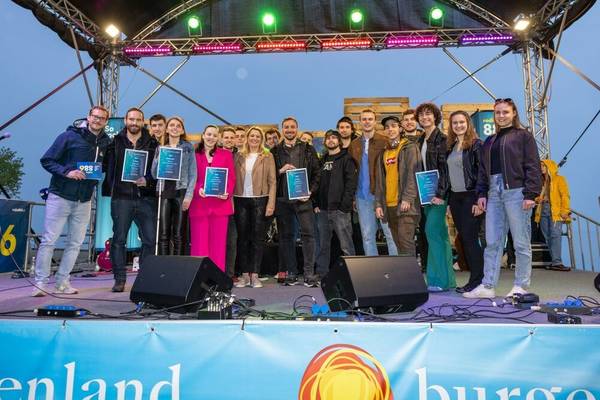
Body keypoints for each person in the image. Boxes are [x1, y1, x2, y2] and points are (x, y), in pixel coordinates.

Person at [465, 98, 542, 299]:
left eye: (505, 112)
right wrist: (481, 193)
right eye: (498, 112)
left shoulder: (524, 136)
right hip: (493, 193)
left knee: (520, 242)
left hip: (517, 192)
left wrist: (531, 194)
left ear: (514, 113)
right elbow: (483, 170)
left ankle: (521, 286)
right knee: (492, 242)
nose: (501, 116)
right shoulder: (490, 141)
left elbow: (533, 165)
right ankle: (488, 285)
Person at [32, 106, 111, 296]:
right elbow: (47, 160)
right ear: (88, 117)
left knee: (75, 243)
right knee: (49, 241)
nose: (97, 120)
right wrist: (67, 172)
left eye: (102, 118)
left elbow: (105, 167)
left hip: (84, 200)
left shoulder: (106, 143)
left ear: (106, 122)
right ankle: (40, 283)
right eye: (95, 116)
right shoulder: (68, 136)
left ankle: (62, 282)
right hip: (60, 196)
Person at [102, 107, 158, 292]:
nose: (134, 123)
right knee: (119, 240)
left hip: (146, 198)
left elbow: (158, 170)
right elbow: (105, 165)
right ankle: (119, 279)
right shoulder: (114, 142)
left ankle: (144, 278)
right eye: (131, 119)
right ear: (126, 121)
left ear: (143, 122)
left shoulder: (153, 143)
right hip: (121, 198)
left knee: (150, 240)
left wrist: (148, 180)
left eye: (138, 120)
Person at [271, 116, 321, 287]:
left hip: (303, 199)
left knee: (308, 235)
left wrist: (310, 191)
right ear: (282, 129)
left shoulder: (308, 149)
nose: (289, 130)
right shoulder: (274, 151)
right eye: (286, 127)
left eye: (292, 127)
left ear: (297, 129)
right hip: (283, 200)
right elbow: (269, 177)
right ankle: (291, 273)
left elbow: (317, 173)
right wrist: (280, 171)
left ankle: (309, 273)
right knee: (286, 237)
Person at [416, 102, 455, 292]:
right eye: (421, 115)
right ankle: (448, 281)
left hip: (439, 195)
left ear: (435, 117)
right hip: (426, 196)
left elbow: (445, 170)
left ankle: (437, 280)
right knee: (441, 236)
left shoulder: (442, 139)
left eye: (428, 114)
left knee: (431, 232)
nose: (425, 117)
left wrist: (441, 194)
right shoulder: (420, 140)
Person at [348, 109, 398, 256]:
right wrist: (353, 197)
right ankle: (374, 268)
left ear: (375, 122)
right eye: (364, 119)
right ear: (360, 122)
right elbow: (351, 172)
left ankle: (395, 267)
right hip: (362, 197)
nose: (367, 122)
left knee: (390, 235)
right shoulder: (354, 144)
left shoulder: (385, 141)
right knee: (368, 237)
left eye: (370, 119)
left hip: (383, 196)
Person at [445, 111, 484, 293]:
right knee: (464, 239)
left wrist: (479, 199)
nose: (458, 125)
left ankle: (477, 281)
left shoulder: (476, 145)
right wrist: (448, 202)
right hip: (455, 198)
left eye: (461, 122)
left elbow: (482, 174)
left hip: (471, 197)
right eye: (455, 123)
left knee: (470, 240)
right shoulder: (451, 146)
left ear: (468, 123)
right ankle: (475, 279)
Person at [233, 126, 277, 288]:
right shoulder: (238, 155)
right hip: (240, 200)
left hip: (260, 200)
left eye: (258, 136)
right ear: (247, 137)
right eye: (252, 135)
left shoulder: (267, 156)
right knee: (243, 239)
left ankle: (255, 275)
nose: (254, 138)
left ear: (261, 139)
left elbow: (273, 181)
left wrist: (271, 203)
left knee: (258, 239)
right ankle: (245, 275)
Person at [189, 125, 236, 271]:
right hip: (199, 205)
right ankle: (199, 278)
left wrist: (226, 192)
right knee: (199, 246)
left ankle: (216, 279)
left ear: (218, 138)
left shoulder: (226, 155)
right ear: (203, 135)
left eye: (214, 135)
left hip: (220, 206)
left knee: (218, 247)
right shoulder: (193, 154)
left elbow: (231, 178)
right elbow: (190, 177)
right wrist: (198, 189)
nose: (211, 138)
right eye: (209, 134)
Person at [374, 115, 421, 256]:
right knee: (398, 244)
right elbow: (379, 182)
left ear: (400, 128)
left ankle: (410, 271)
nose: (390, 129)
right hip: (389, 206)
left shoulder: (409, 148)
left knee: (406, 244)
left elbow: (413, 174)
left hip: (405, 205)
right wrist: (378, 204)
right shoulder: (383, 153)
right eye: (387, 127)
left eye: (393, 126)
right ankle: (404, 270)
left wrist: (407, 198)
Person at [314, 130, 357, 277]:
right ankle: (321, 273)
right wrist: (316, 203)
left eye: (334, 138)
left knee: (346, 244)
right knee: (323, 245)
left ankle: (352, 274)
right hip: (322, 210)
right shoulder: (322, 160)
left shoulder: (347, 159)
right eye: (328, 138)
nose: (331, 140)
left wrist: (344, 206)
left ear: (339, 141)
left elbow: (351, 184)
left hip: (340, 210)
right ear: (325, 142)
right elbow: (317, 183)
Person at [151, 116, 197, 255]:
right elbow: (154, 174)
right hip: (164, 191)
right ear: (167, 129)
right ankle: (164, 263)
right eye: (172, 125)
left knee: (179, 234)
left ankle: (178, 263)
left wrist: (189, 196)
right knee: (163, 233)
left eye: (178, 126)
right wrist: (159, 158)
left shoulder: (188, 147)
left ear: (182, 130)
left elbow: (193, 173)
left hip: (181, 191)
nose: (175, 128)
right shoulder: (160, 148)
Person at [401, 109, 428, 266]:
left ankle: (426, 263)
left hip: (424, 190)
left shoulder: (424, 139)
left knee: (426, 230)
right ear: (402, 123)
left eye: (412, 119)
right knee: (407, 233)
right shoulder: (399, 142)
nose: (409, 122)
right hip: (406, 193)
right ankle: (409, 266)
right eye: (406, 119)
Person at [535, 159, 571, 271]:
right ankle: (554, 261)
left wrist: (565, 210)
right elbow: (536, 197)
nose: (541, 168)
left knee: (555, 236)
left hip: (555, 211)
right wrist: (538, 199)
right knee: (547, 236)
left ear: (549, 167)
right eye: (540, 166)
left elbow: (565, 195)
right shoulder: (540, 181)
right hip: (543, 211)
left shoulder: (559, 179)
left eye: (543, 166)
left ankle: (557, 262)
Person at [220, 126, 239, 280]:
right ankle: (220, 272)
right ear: (221, 139)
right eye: (226, 137)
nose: (229, 140)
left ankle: (230, 273)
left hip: (240, 201)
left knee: (233, 240)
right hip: (221, 201)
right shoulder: (215, 155)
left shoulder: (241, 156)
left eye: (232, 137)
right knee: (222, 239)